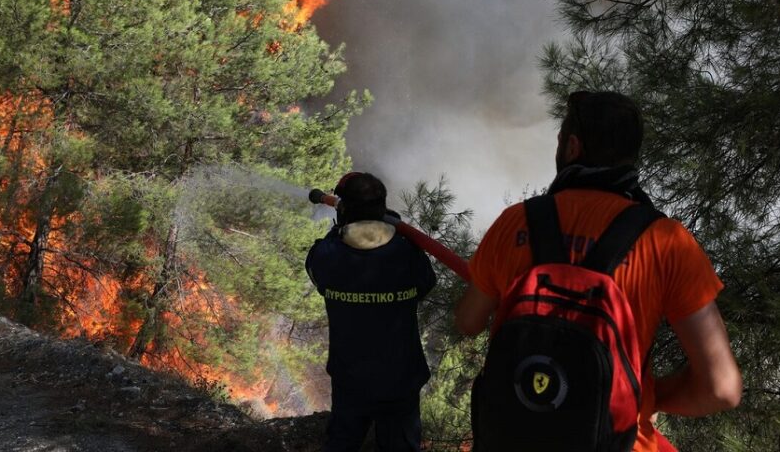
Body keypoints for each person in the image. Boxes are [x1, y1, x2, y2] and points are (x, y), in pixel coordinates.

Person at [454, 91, 742, 452]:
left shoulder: (516, 222)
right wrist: (646, 395)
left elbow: (468, 321)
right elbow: (722, 389)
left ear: (572, 147)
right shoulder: (668, 243)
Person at [306, 172, 436, 452]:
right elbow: (426, 284)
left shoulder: (327, 256)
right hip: (400, 377)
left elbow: (317, 271)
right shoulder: (407, 254)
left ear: (344, 212)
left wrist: (338, 228)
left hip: (351, 379)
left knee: (342, 444)